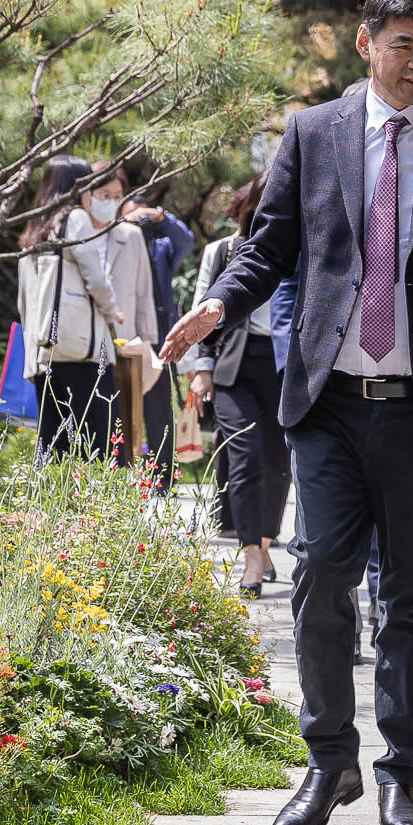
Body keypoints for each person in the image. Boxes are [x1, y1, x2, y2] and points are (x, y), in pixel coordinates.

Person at [160, 0, 413, 825]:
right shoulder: (313, 132)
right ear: (364, 43)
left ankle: (401, 773)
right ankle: (328, 758)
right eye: (403, 44)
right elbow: (273, 246)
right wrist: (220, 303)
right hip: (330, 400)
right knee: (322, 575)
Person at [185, 180, 291, 595]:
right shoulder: (224, 251)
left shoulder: (300, 247)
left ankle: (265, 543)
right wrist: (202, 367)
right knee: (245, 457)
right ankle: (250, 555)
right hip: (234, 366)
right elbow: (202, 309)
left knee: (278, 462)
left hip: (285, 366)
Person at [18, 156, 128, 460]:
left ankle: (47, 506)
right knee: (98, 442)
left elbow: (26, 299)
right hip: (81, 351)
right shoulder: (75, 218)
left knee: (53, 443)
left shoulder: (36, 226)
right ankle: (96, 507)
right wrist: (111, 311)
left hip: (46, 350)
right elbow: (95, 277)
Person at [125, 191, 197, 490]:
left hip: (157, 338)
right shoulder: (114, 247)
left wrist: (158, 215)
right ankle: (120, 475)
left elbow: (186, 242)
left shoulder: (161, 249)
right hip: (125, 337)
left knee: (158, 411)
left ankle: (161, 478)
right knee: (121, 409)